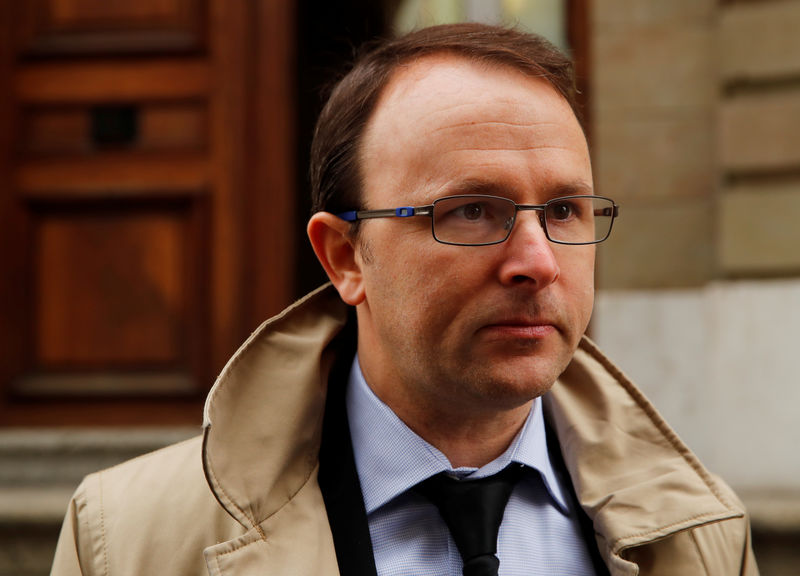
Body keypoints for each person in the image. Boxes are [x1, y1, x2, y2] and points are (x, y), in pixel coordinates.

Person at [51, 23, 758, 576]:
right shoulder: (128, 539)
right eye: (472, 212)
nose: (539, 262)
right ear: (345, 257)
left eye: (566, 211)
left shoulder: (698, 532)